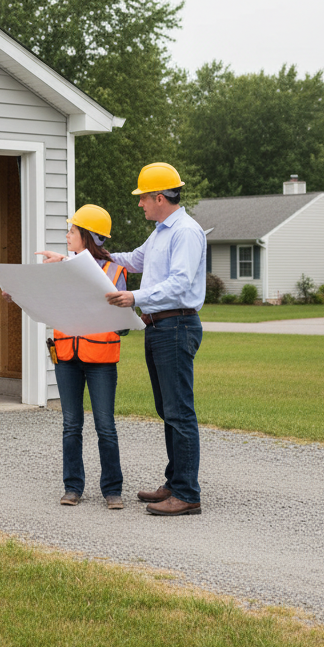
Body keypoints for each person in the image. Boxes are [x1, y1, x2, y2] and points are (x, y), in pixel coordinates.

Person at [104, 162, 207, 517]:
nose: (139, 204)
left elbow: (179, 285)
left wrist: (135, 297)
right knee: (168, 410)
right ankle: (174, 482)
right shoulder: (162, 231)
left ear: (160, 197)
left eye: (143, 197)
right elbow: (132, 260)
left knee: (179, 412)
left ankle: (187, 493)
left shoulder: (186, 232)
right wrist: (94, 256)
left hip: (177, 326)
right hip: (159, 328)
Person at [35, 205, 128, 510]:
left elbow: (124, 323)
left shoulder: (115, 271)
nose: (67, 236)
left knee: (105, 426)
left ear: (87, 237)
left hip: (100, 358)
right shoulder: (62, 268)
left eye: (72, 231)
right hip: (67, 356)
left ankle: (112, 490)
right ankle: (72, 487)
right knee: (71, 425)